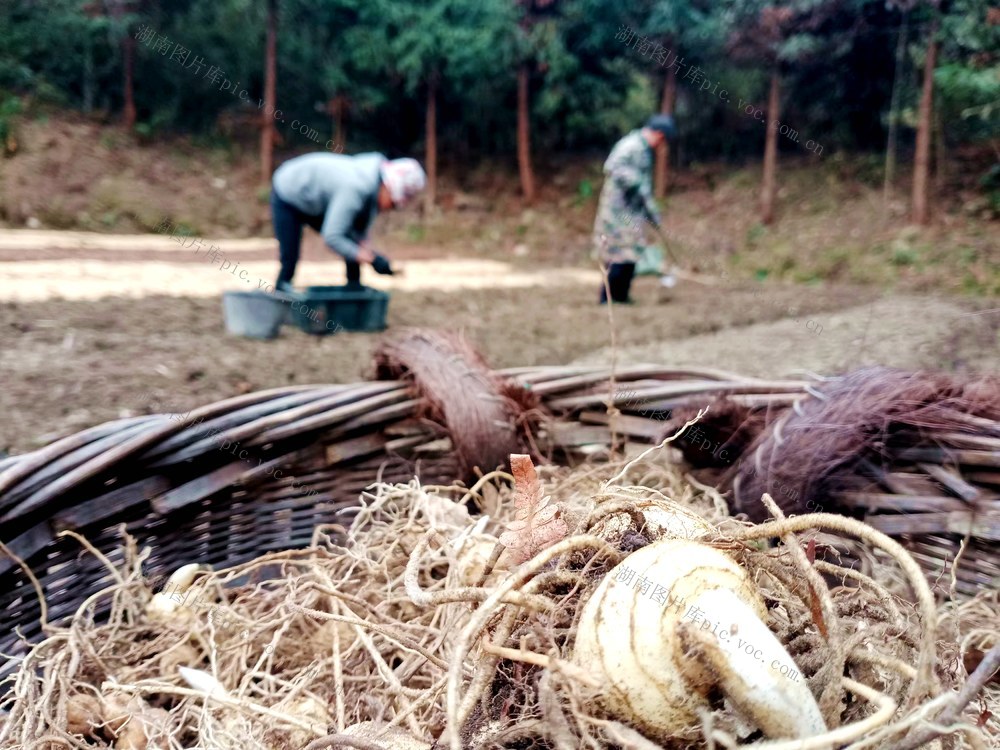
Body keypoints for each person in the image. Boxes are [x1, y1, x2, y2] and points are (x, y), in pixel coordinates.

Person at [270, 152, 426, 291]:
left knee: (351, 243)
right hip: (289, 192)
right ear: (388, 186)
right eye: (393, 204)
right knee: (290, 258)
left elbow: (359, 235)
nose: (390, 209)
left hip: (318, 199)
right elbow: (333, 237)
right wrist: (372, 259)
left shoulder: (373, 184)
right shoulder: (355, 188)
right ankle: (280, 297)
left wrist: (372, 255)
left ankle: (353, 290)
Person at [592, 114, 677, 304]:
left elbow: (643, 190)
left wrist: (651, 213)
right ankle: (608, 298)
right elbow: (612, 166)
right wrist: (636, 182)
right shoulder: (631, 145)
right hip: (617, 212)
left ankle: (622, 296)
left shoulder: (644, 150)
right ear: (659, 135)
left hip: (632, 213)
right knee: (618, 253)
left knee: (632, 252)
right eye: (663, 140)